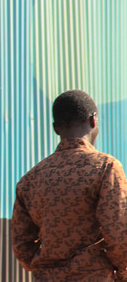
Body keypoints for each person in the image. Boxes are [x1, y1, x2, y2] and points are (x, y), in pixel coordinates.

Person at [11, 90, 127, 281]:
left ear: (56, 128)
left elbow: (22, 247)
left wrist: (47, 266)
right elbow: (118, 232)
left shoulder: (30, 180)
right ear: (93, 120)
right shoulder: (106, 167)